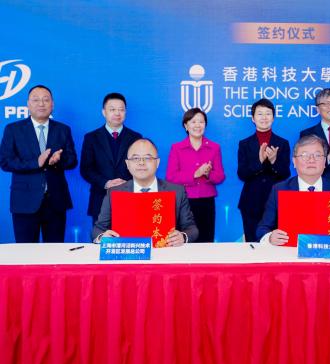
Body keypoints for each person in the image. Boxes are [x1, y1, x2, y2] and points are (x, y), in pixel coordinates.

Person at [0, 85, 78, 243]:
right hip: (24, 202)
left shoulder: (63, 130)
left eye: (45, 100)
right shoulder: (13, 129)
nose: (41, 104)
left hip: (55, 202)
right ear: (28, 104)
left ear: (52, 104)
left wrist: (58, 161)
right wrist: (36, 162)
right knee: (26, 255)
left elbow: (72, 160)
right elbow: (5, 162)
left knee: (55, 253)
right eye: (36, 100)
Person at [256, 134, 330, 246]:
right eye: (304, 155)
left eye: (317, 155)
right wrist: (270, 237)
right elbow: (262, 229)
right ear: (294, 162)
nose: (311, 160)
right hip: (291, 256)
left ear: (325, 161)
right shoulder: (279, 190)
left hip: (328, 257)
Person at [93, 138, 199, 245]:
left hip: (165, 254)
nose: (141, 163)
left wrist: (183, 237)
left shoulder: (177, 191)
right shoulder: (114, 193)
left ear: (157, 162)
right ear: (127, 164)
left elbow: (191, 228)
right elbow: (98, 229)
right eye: (135, 158)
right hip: (127, 256)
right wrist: (102, 237)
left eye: (147, 158)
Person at [80, 93, 143, 224]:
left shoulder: (136, 137)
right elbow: (86, 169)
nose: (117, 113)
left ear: (125, 112)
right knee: (101, 241)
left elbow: (141, 167)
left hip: (129, 197)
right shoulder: (91, 138)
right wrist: (106, 183)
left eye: (121, 109)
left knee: (129, 241)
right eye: (112, 109)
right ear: (104, 112)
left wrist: (126, 184)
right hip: (100, 198)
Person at [166, 108, 225, 242]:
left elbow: (220, 177)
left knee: (206, 238)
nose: (197, 125)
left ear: (205, 125)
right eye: (193, 122)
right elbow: (171, 177)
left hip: (207, 202)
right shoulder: (177, 148)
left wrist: (209, 173)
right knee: (184, 240)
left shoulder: (214, 147)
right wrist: (195, 174)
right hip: (184, 201)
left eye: (201, 122)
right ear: (186, 126)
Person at [237, 98, 290, 242]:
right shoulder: (245, 144)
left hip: (277, 201)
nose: (264, 117)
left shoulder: (283, 143)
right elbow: (242, 174)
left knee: (278, 243)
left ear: (273, 117)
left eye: (268, 113)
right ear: (253, 118)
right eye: (259, 114)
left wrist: (273, 162)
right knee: (252, 244)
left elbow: (286, 173)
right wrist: (259, 162)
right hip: (251, 201)